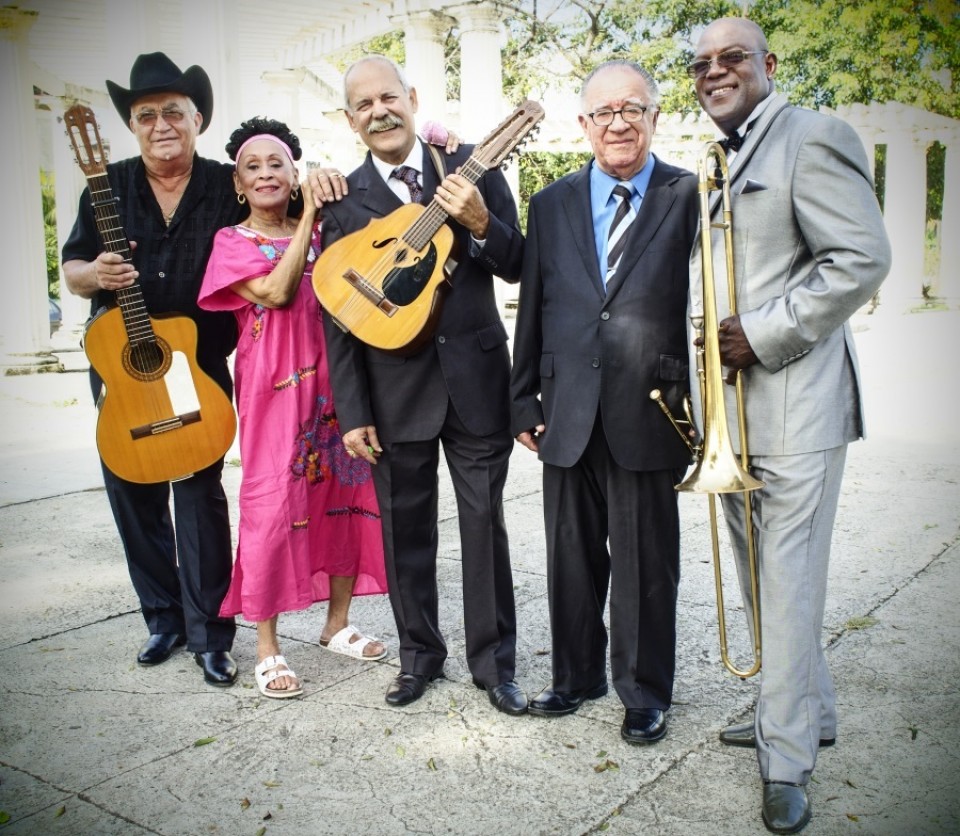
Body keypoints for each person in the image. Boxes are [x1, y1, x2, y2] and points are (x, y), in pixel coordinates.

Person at [688, 18, 891, 833]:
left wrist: (764, 331)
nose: (715, 71)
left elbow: (862, 257)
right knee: (760, 581)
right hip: (734, 418)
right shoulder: (719, 156)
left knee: (789, 582)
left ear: (769, 64)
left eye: (732, 57)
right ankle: (810, 709)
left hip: (798, 407)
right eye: (701, 64)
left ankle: (787, 759)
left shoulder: (812, 136)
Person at [311, 55, 527, 715]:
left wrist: (482, 223)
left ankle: (495, 665)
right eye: (364, 105)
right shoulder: (341, 200)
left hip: (476, 380)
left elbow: (520, 263)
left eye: (388, 97)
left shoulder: (472, 165)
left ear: (411, 97)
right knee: (405, 532)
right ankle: (418, 658)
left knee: (484, 525)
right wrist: (352, 410)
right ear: (350, 120)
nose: (379, 112)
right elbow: (339, 315)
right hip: (391, 391)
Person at [510, 60, 698, 744]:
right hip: (565, 406)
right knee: (570, 555)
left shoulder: (690, 194)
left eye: (632, 109)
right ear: (584, 125)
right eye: (603, 113)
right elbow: (534, 302)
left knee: (648, 562)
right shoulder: (549, 202)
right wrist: (521, 397)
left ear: (654, 116)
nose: (618, 123)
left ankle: (644, 692)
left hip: (652, 405)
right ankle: (575, 675)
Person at [62, 52, 244, 686]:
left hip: (196, 364)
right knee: (133, 494)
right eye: (146, 115)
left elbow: (281, 212)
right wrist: (95, 274)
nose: (161, 124)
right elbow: (73, 269)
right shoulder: (104, 185)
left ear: (197, 119)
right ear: (131, 125)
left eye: (173, 111)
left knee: (198, 497)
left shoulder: (227, 184)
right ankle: (163, 619)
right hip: (125, 367)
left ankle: (210, 632)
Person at [197, 118, 389, 698]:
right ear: (238, 184)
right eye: (252, 167)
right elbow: (277, 293)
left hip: (337, 385)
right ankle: (267, 647)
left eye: (276, 163)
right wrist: (308, 216)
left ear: (294, 171)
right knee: (271, 507)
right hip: (273, 391)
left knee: (346, 493)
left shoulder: (331, 233)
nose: (265, 174)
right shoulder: (232, 242)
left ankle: (337, 624)